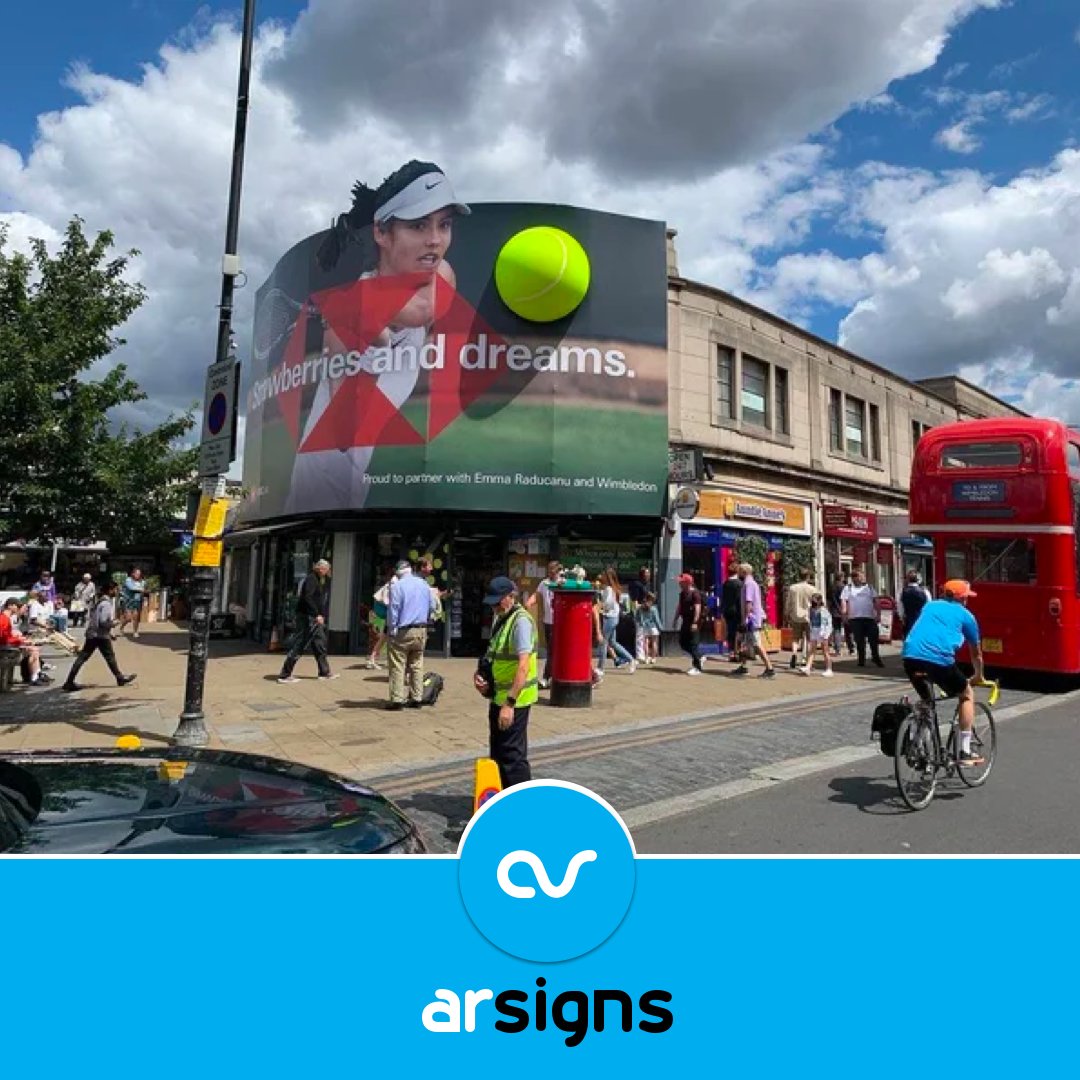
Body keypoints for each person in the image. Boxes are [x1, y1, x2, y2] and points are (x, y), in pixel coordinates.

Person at [287, 160, 470, 514]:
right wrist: (360, 339)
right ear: (382, 234)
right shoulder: (355, 305)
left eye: (443, 225)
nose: (434, 240)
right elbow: (344, 430)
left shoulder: (438, 275)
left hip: (354, 481)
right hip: (321, 485)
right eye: (418, 225)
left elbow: (423, 307)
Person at [901, 579, 987, 766]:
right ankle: (965, 751)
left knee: (927, 700)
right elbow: (976, 653)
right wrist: (978, 675)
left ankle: (918, 741)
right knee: (965, 694)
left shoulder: (930, 606)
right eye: (967, 597)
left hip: (910, 657)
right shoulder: (967, 616)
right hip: (939, 661)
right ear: (963, 598)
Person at [473, 576, 536, 788]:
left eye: (497, 601)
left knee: (512, 758)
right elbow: (495, 656)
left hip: (514, 700)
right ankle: (503, 802)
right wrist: (482, 678)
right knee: (498, 754)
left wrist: (509, 704)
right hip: (498, 697)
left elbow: (523, 666)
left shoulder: (521, 622)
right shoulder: (501, 619)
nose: (494, 606)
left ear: (511, 597)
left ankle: (521, 806)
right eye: (491, 602)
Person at [62, 582, 136, 692]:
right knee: (109, 657)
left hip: (94, 634)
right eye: (115, 590)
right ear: (110, 590)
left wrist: (110, 633)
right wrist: (114, 623)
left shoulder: (100, 601)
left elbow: (96, 620)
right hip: (99, 635)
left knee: (83, 657)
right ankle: (120, 678)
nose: (117, 592)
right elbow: (103, 622)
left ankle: (69, 681)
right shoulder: (106, 603)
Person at [385, 558, 435, 710]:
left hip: (403, 629)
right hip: (421, 629)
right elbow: (432, 607)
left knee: (397, 664)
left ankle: (397, 699)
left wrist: (392, 629)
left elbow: (394, 610)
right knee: (417, 664)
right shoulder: (424, 584)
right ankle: (416, 697)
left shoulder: (397, 586)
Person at [278, 559, 337, 683]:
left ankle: (324, 672)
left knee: (319, 644)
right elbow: (307, 597)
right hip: (307, 617)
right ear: (321, 568)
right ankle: (285, 674)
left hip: (314, 617)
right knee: (300, 643)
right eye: (326, 569)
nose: (327, 572)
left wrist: (321, 614)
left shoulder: (320, 580)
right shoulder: (311, 579)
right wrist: (316, 614)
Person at [526, 560, 563, 690]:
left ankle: (546, 677)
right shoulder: (544, 583)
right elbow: (537, 595)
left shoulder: (562, 583)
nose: (551, 574)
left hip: (560, 622)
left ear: (558, 571)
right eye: (549, 571)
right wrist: (529, 603)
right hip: (548, 621)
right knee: (552, 650)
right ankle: (552, 676)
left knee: (553, 651)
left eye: (553, 572)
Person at [734, 563, 775, 678]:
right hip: (751, 619)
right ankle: (743, 666)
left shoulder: (749, 584)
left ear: (744, 572)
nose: (738, 574)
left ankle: (770, 668)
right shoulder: (749, 583)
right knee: (745, 642)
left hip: (751, 620)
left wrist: (745, 619)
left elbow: (749, 603)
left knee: (757, 644)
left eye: (739, 571)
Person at [0, 598, 48, 686]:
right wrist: (20, 640)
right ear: (10, 606)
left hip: (7, 645)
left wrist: (20, 640)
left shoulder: (5, 618)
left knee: (34, 649)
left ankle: (36, 674)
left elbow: (7, 636)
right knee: (33, 650)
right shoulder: (4, 618)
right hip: (5, 648)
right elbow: (4, 638)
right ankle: (34, 677)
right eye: (16, 606)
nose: (17, 608)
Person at [841, 568, 883, 667]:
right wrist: (844, 614)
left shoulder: (869, 587)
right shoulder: (848, 588)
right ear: (854, 578)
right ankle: (861, 659)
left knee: (873, 638)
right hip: (855, 618)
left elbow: (876, 600)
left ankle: (875, 657)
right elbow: (844, 601)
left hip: (869, 617)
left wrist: (878, 614)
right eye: (860, 576)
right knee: (859, 640)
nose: (862, 578)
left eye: (862, 576)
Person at [598, 567, 636, 673]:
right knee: (613, 642)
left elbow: (608, 604)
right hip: (613, 617)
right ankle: (631, 659)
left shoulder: (609, 589)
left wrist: (600, 606)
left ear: (608, 577)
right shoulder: (611, 588)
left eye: (604, 574)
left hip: (609, 617)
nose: (602, 576)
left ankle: (600, 668)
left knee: (604, 643)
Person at [785, 568, 817, 670]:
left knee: (795, 638)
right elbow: (817, 604)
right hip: (808, 616)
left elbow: (789, 602)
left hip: (796, 616)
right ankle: (805, 659)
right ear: (808, 577)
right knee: (808, 639)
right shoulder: (812, 589)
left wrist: (787, 613)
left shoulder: (792, 588)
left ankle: (794, 654)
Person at [674, 572, 704, 676]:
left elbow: (697, 609)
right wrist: (675, 618)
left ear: (687, 583)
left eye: (681, 582)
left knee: (693, 643)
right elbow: (680, 607)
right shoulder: (682, 594)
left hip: (693, 621)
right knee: (683, 642)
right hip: (685, 620)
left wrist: (695, 622)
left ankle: (697, 667)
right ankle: (699, 656)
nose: (679, 584)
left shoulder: (695, 594)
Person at [366, 567, 395, 669]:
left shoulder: (391, 583)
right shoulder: (394, 583)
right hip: (389, 615)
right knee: (385, 638)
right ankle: (374, 659)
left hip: (387, 614)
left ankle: (373, 659)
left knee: (384, 638)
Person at [800, 592, 834, 677]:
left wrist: (827, 633)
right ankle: (808, 667)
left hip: (822, 631)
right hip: (814, 630)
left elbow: (828, 623)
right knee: (812, 650)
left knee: (825, 651)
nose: (813, 602)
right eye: (812, 600)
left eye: (814, 600)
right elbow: (810, 619)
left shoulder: (824, 610)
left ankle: (829, 669)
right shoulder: (811, 609)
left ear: (819, 600)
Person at [899, 569, 933, 634]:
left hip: (908, 619)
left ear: (907, 580)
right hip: (921, 619)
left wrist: (902, 617)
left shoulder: (902, 591)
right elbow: (929, 605)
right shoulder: (925, 591)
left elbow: (900, 607)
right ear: (918, 580)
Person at [635, 592, 662, 665]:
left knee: (646, 643)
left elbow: (637, 618)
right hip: (653, 627)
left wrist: (641, 623)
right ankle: (653, 658)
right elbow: (657, 619)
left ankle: (646, 658)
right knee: (654, 643)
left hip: (645, 627)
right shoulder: (654, 609)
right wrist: (660, 627)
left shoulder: (641, 608)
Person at [119, 568, 146, 639]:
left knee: (136, 617)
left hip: (137, 601)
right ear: (133, 574)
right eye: (137, 574)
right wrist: (140, 590)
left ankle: (135, 631)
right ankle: (122, 627)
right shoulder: (128, 580)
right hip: (128, 601)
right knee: (128, 618)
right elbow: (131, 588)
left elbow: (144, 590)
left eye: (139, 574)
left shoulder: (142, 582)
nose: (138, 575)